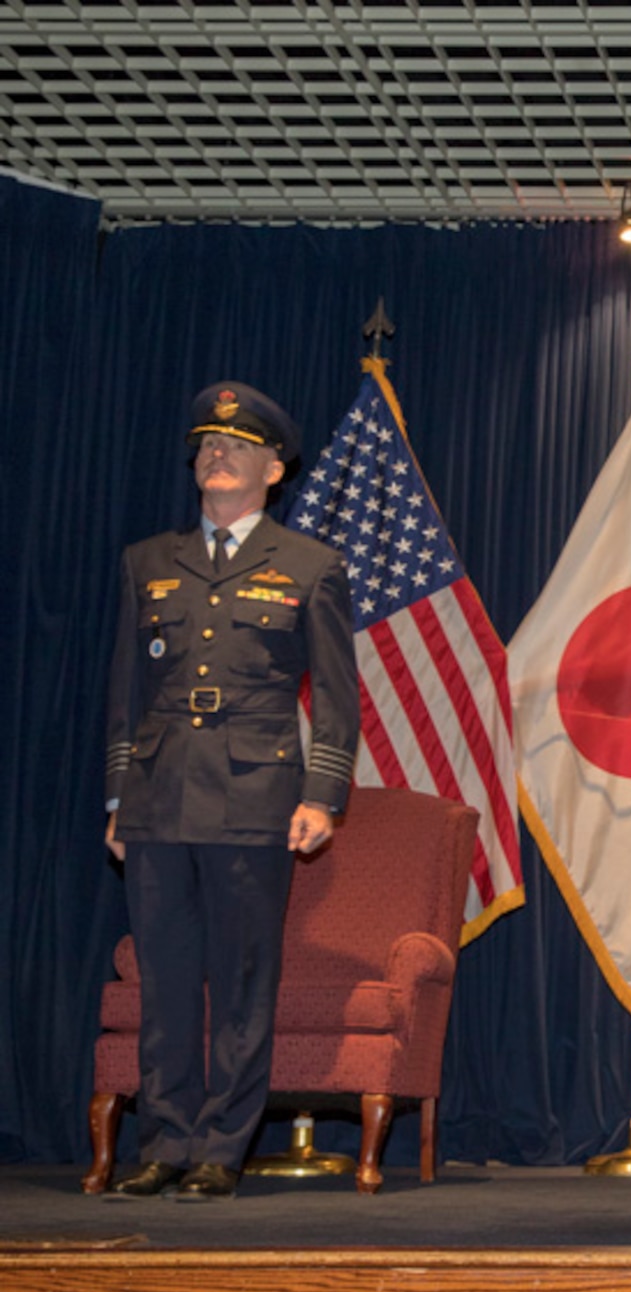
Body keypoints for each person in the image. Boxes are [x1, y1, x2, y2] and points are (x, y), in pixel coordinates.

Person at [101, 382, 360, 1201]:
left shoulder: (308, 565)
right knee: (167, 978)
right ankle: (164, 1141)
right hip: (157, 793)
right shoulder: (148, 561)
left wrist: (321, 795)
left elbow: (339, 696)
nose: (217, 454)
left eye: (238, 446)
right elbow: (123, 692)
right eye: (207, 444)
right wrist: (117, 799)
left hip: (256, 795)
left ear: (273, 468)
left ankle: (221, 1145)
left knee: (243, 979)